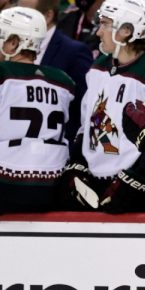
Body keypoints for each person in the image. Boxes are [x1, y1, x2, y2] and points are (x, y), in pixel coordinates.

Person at [58, 0, 145, 214]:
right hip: (100, 181)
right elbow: (88, 125)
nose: (99, 32)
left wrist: (135, 179)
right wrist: (77, 165)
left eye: (105, 24)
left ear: (126, 30)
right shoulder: (98, 67)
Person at [0, 6, 75, 213]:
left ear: (14, 43)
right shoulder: (63, 81)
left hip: (8, 182)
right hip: (52, 183)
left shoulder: (3, 74)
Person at [18, 0, 93, 144]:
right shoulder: (10, 46)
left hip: (57, 150)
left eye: (25, 13)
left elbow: (84, 107)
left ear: (47, 16)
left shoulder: (74, 52)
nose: (17, 18)